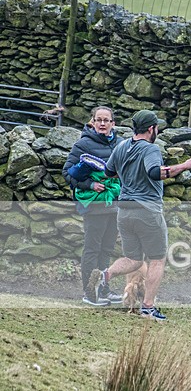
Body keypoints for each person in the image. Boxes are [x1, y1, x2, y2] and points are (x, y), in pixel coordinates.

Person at [86, 110, 191, 321]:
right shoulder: (150, 149)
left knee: (134, 258)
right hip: (147, 210)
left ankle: (105, 275)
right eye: (156, 128)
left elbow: (109, 172)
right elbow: (155, 172)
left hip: (124, 211)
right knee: (157, 259)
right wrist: (185, 165)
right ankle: (148, 307)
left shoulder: (121, 146)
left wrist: (129, 173)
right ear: (151, 129)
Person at [62, 106, 123, 306]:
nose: (103, 124)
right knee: (92, 249)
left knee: (106, 249)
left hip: (114, 206)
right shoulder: (83, 144)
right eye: (99, 120)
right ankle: (90, 293)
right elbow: (67, 173)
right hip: (94, 207)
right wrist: (90, 184)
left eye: (107, 120)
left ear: (113, 123)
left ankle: (104, 291)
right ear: (93, 122)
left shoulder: (120, 144)